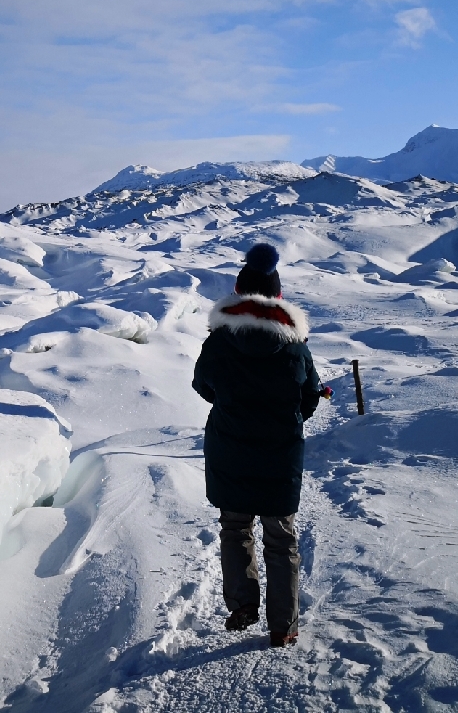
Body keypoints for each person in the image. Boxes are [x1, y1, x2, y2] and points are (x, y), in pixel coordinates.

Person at [192, 242, 327, 648]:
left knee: (235, 528)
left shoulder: (219, 340)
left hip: (228, 448)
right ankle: (283, 626)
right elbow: (309, 397)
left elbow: (202, 385)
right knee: (281, 537)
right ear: (277, 296)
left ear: (239, 292)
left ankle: (242, 606)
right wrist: (284, 419)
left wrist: (232, 406)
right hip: (279, 453)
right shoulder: (294, 346)